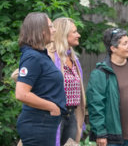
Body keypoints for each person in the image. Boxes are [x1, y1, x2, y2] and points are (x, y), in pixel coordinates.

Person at [12, 17, 86, 146]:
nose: (54, 30)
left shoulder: (71, 58)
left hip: (68, 113)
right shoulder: (41, 56)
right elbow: (21, 88)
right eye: (74, 32)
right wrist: (51, 105)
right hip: (44, 117)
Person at [86, 28, 128, 146]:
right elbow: (95, 106)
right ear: (113, 48)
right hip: (110, 136)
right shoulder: (100, 73)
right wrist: (100, 133)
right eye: (125, 43)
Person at [15, 12, 66, 146]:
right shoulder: (32, 57)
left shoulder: (40, 55)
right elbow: (22, 93)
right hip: (38, 123)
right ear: (41, 31)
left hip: (43, 123)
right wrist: (52, 107)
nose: (54, 30)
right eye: (50, 27)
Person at [47, 18, 86, 145]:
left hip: (72, 115)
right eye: (74, 32)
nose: (78, 35)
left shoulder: (73, 59)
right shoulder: (49, 55)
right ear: (63, 34)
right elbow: (19, 75)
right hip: (54, 115)